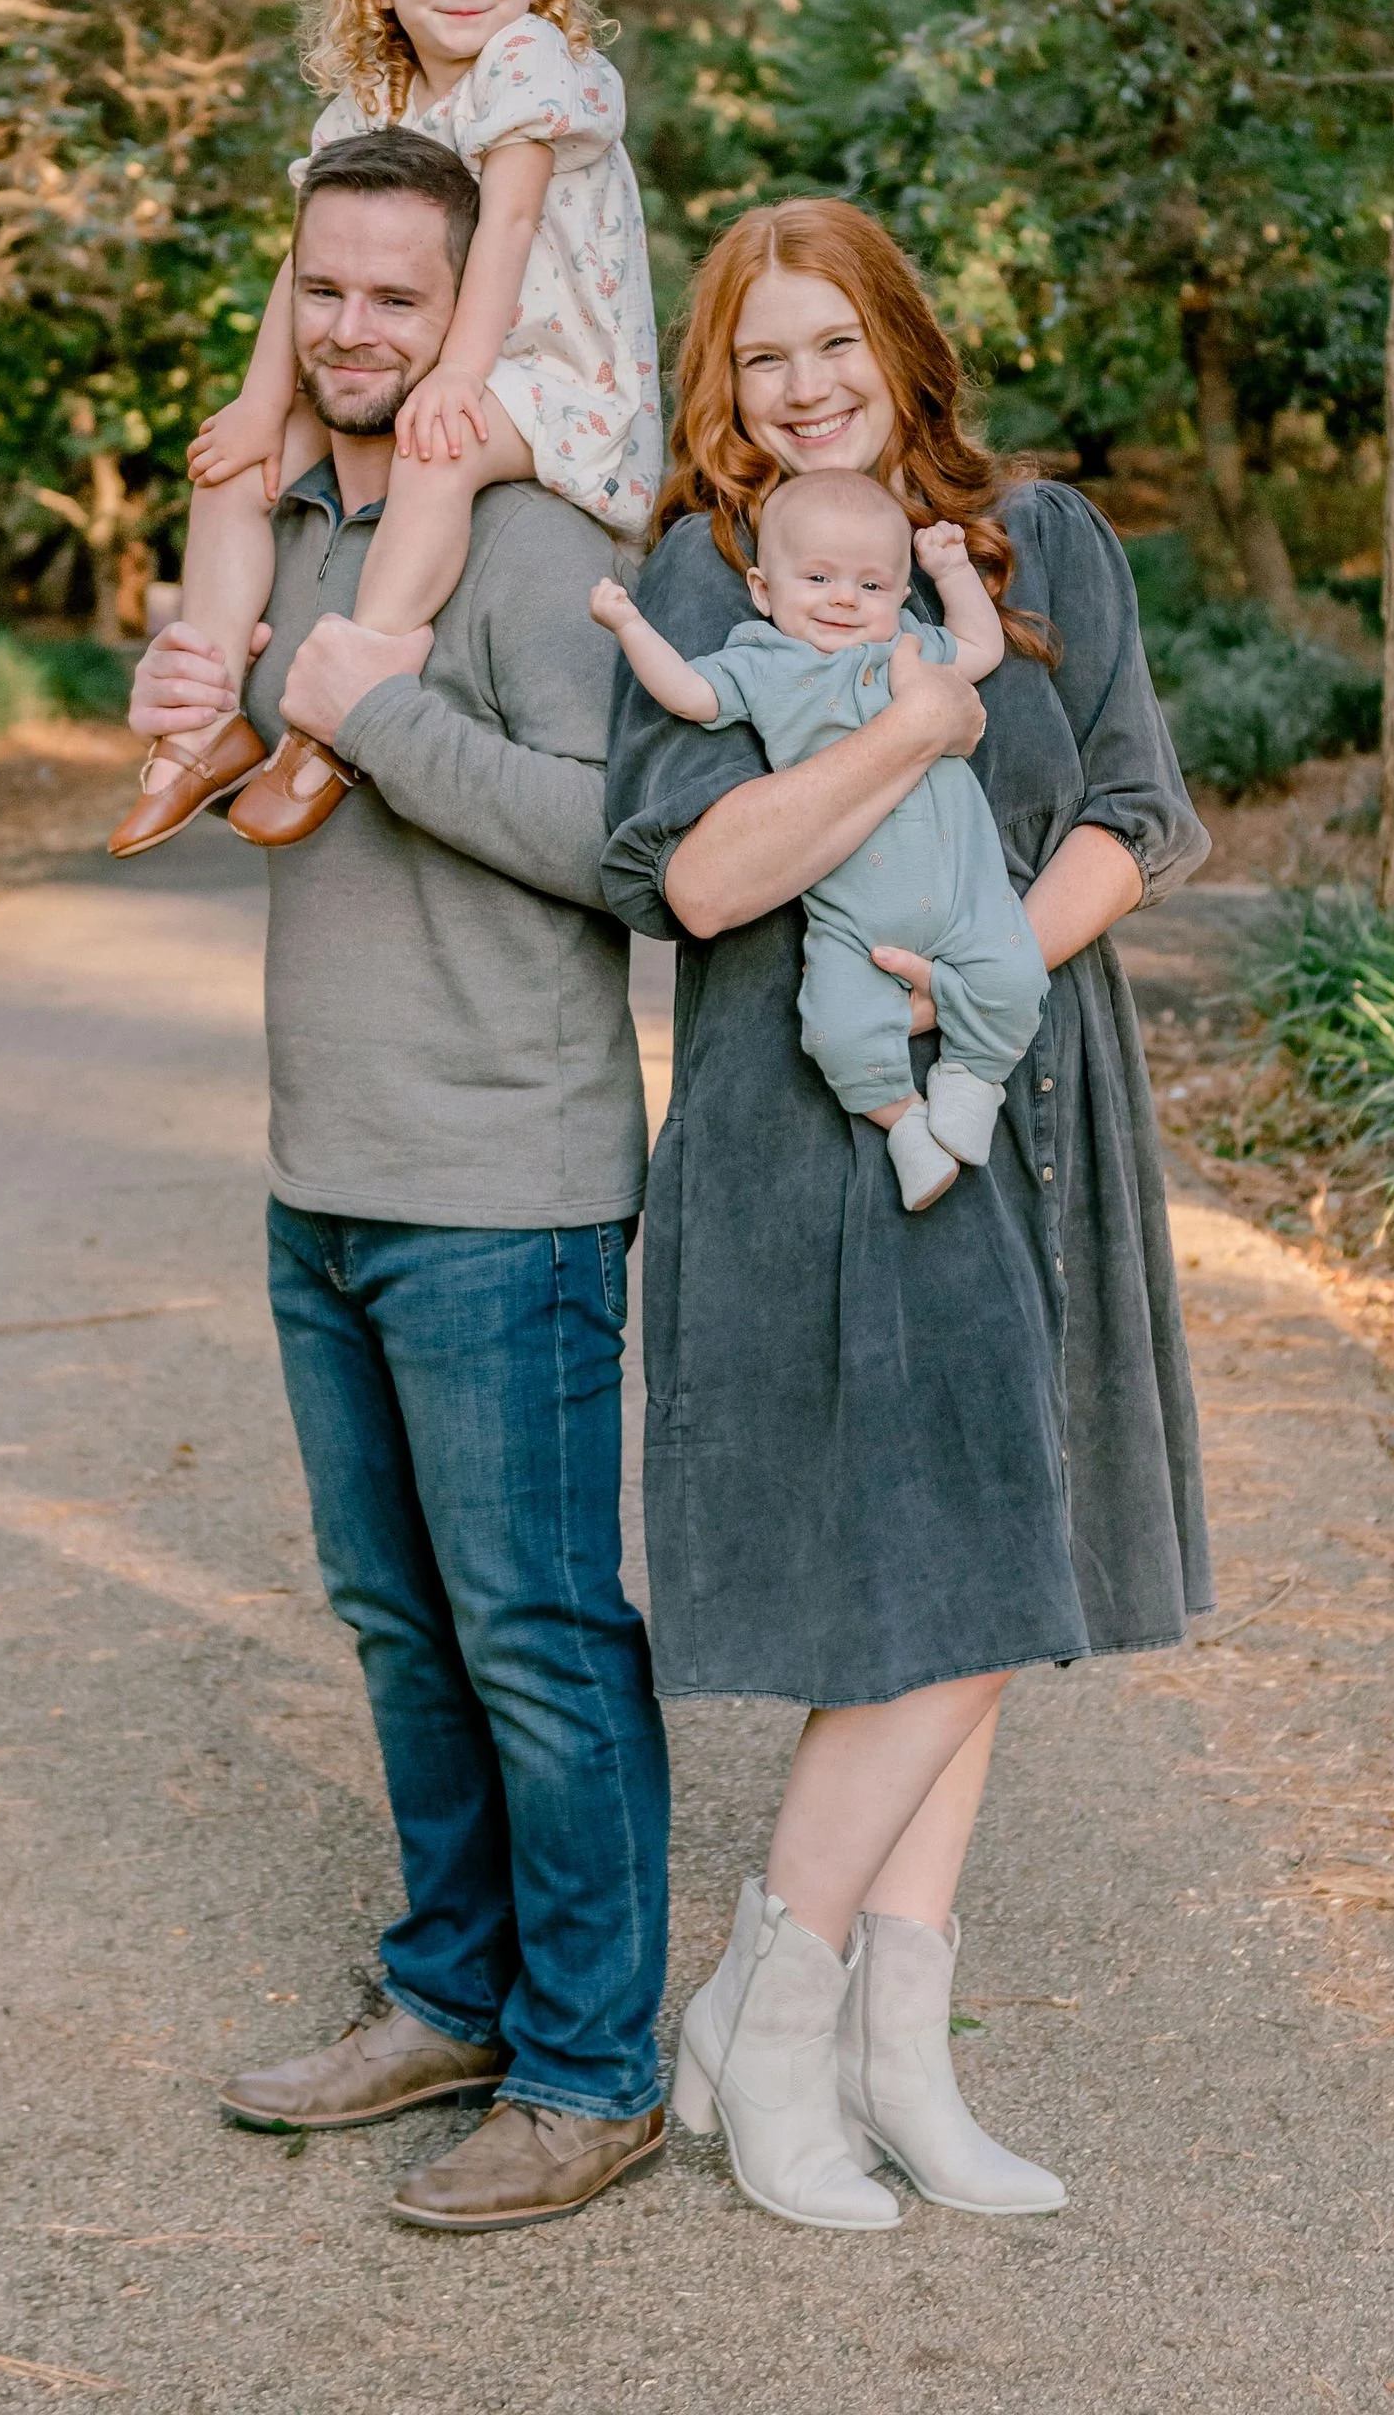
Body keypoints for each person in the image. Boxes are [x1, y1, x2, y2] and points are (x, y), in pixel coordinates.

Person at [600, 197, 1212, 2234]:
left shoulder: (1045, 546)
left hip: (1031, 1099)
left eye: (830, 346)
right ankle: (771, 2028)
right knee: (932, 1580)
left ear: (901, 347)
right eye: (760, 357)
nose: (799, 388)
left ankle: (893, 2052)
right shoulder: (710, 569)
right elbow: (693, 878)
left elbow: (1133, 808)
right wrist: (907, 733)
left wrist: (985, 983)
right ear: (723, 382)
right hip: (815, 1128)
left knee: (992, 1584)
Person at [125, 126, 669, 2235]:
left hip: (503, 1185)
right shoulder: (291, 524)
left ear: (472, 315)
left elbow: (625, 848)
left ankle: (589, 2066)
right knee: (398, 1624)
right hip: (322, 1171)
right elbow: (244, 752)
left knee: (535, 1633)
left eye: (400, 299)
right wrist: (221, 680)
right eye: (326, 292)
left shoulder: (530, 544)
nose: (357, 330)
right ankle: (450, 1992)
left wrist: (374, 704)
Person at [111, 0, 661, 859]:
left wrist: (457, 376)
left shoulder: (531, 60)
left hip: (550, 367)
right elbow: (303, 258)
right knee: (234, 464)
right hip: (450, 352)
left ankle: (337, 718)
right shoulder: (376, 96)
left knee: (433, 448)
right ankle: (205, 715)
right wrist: (258, 401)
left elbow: (504, 224)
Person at [591, 472, 1047, 1209]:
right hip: (849, 917)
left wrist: (952, 571)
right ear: (763, 590)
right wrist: (629, 626)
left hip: (965, 895)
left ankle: (973, 1080)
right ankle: (906, 1125)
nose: (843, 597)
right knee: (833, 1029)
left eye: (870, 585)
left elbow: (980, 646)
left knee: (1016, 980)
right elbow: (684, 692)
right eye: (817, 577)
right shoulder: (759, 663)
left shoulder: (907, 649)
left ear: (899, 600)